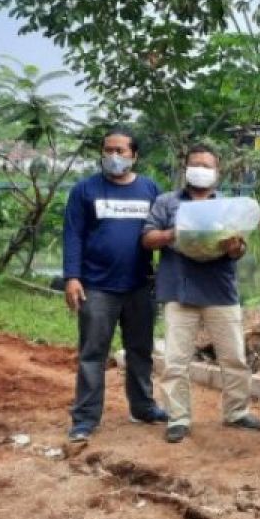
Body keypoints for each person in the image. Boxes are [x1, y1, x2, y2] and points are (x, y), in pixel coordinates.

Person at [141, 144, 260, 444]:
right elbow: (147, 239)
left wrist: (235, 248)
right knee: (175, 360)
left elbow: (240, 249)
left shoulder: (228, 206)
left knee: (234, 357)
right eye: (196, 164)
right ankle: (178, 418)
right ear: (185, 168)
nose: (201, 169)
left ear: (217, 172)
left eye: (207, 165)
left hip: (220, 290)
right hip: (178, 291)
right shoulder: (167, 203)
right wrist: (176, 233)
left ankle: (237, 412)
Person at [62, 127, 167, 443]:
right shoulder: (85, 190)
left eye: (121, 151)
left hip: (139, 286)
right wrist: (72, 277)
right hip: (96, 287)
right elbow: (73, 235)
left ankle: (143, 407)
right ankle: (85, 418)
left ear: (134, 155)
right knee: (93, 353)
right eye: (108, 150)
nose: (113, 156)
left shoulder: (150, 189)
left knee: (140, 351)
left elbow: (163, 232)